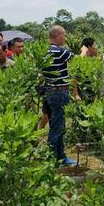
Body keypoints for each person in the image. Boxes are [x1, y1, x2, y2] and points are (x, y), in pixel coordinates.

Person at [42, 25, 77, 165]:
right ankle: (54, 158)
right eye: (65, 35)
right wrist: (85, 50)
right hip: (59, 91)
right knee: (57, 126)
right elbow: (78, 60)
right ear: (58, 35)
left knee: (55, 123)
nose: (66, 38)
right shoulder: (59, 51)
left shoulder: (44, 51)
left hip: (50, 91)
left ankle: (59, 156)